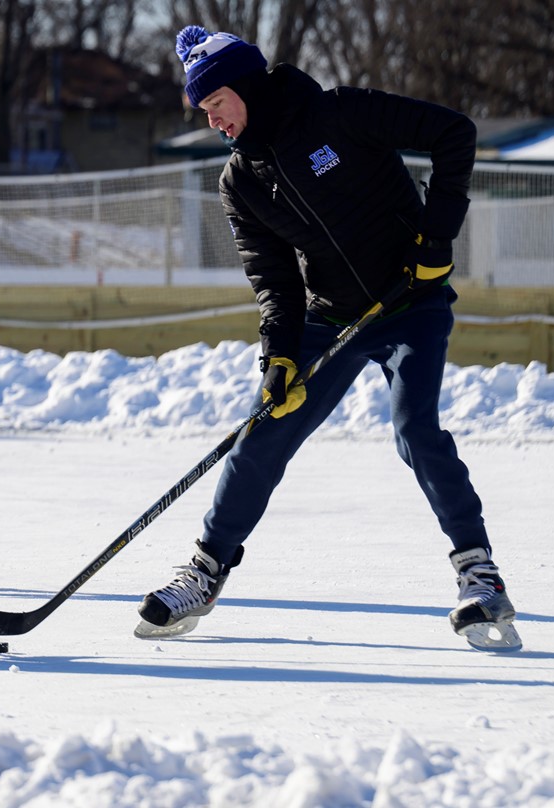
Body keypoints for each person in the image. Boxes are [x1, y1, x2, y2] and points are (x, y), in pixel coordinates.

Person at [135, 26, 518, 651]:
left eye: (216, 106)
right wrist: (280, 355)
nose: (214, 123)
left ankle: (481, 577)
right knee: (265, 428)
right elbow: (273, 278)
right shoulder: (241, 183)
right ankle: (205, 571)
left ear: (243, 87)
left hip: (409, 298)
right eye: (205, 113)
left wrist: (436, 242)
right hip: (329, 314)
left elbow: (455, 134)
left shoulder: (338, 113)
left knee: (414, 429)